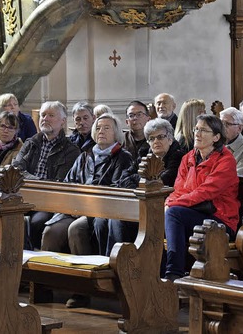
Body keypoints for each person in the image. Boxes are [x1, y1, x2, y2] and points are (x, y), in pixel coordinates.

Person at [41, 113, 133, 308]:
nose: (101, 131)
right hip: (75, 209)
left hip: (101, 212)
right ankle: (43, 286)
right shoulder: (85, 156)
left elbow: (117, 189)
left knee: (76, 229)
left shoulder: (123, 157)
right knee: (50, 231)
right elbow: (69, 183)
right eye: (98, 127)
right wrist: (73, 206)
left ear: (116, 133)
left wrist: (87, 206)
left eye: (107, 128)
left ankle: (82, 290)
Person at [164, 114, 240, 281]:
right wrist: (170, 202)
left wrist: (173, 204)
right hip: (193, 212)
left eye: (203, 130)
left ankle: (173, 274)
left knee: (173, 213)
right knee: (162, 214)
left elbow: (206, 191)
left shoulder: (226, 160)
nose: (197, 134)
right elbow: (179, 189)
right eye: (196, 129)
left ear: (216, 137)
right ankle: (159, 272)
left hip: (220, 220)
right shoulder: (188, 157)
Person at [12, 101, 80, 250]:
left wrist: (34, 182)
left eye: (51, 115)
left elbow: (58, 182)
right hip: (24, 196)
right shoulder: (31, 143)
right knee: (10, 217)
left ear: (62, 122)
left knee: (37, 222)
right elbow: (16, 169)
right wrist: (38, 182)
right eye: (43, 115)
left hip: (50, 201)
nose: (45, 119)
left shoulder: (71, 150)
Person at [122, 118, 185, 187]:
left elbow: (161, 181)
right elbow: (124, 178)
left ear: (170, 139)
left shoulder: (179, 157)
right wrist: (136, 189)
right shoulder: (144, 155)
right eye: (151, 138)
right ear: (148, 142)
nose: (156, 141)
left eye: (160, 137)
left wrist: (135, 178)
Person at [219, 107, 243, 174]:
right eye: (221, 123)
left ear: (239, 128)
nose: (222, 127)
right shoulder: (215, 143)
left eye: (227, 124)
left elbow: (236, 175)